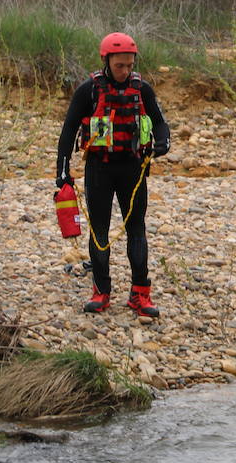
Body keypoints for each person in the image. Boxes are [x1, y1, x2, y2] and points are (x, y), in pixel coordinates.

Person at [56, 32, 171, 317]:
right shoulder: (89, 90)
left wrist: (162, 142)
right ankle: (101, 291)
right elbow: (69, 130)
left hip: (133, 169)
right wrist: (62, 172)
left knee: (137, 231)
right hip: (100, 169)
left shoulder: (142, 89)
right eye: (120, 65)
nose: (125, 71)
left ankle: (140, 294)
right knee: (99, 231)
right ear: (106, 61)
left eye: (129, 65)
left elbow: (160, 123)